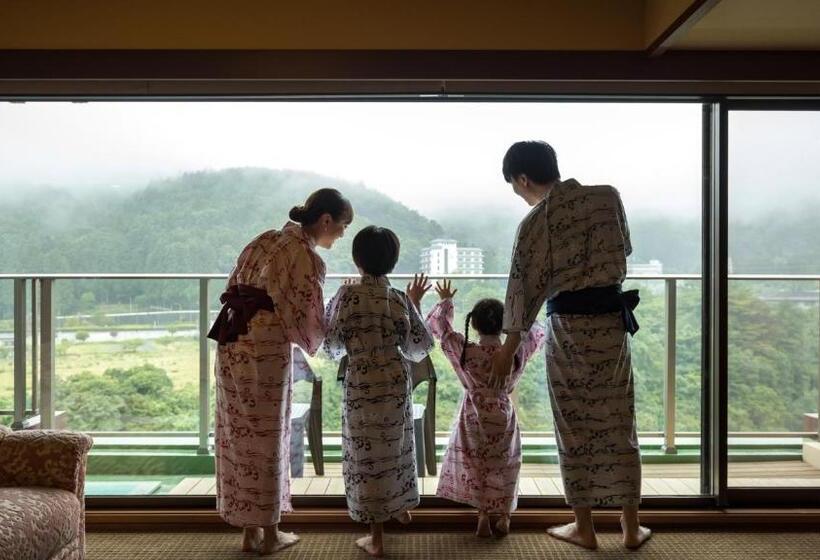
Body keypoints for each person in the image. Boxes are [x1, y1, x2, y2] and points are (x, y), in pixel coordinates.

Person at [490, 141, 651, 550]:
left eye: (514, 185)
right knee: (619, 421)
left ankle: (585, 527)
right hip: (611, 327)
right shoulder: (607, 197)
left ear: (523, 178)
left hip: (569, 331)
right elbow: (624, 249)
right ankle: (631, 527)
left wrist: (508, 350)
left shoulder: (535, 222)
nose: (518, 193)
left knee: (574, 425)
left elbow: (521, 292)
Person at [211, 188, 353, 555]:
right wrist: (336, 313)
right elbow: (308, 322)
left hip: (232, 341)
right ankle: (271, 535)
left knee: (238, 436)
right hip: (263, 350)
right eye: (341, 226)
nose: (340, 235)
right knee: (268, 439)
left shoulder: (265, 239)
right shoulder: (305, 258)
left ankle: (248, 532)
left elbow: (234, 284)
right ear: (325, 220)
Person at [324, 226, 434, 557]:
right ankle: (398, 505)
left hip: (361, 384)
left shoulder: (346, 297)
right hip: (395, 383)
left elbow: (330, 347)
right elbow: (420, 347)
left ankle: (377, 536)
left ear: (357, 260)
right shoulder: (398, 297)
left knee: (366, 455)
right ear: (393, 262)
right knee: (396, 448)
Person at [427, 279, 545, 538]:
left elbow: (442, 331)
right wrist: (521, 311)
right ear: (503, 326)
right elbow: (535, 334)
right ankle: (502, 516)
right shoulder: (512, 354)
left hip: (473, 416)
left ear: (474, 325)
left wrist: (446, 302)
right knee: (504, 464)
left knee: (477, 464)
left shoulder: (467, 352)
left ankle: (481, 516)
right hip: (502, 413)